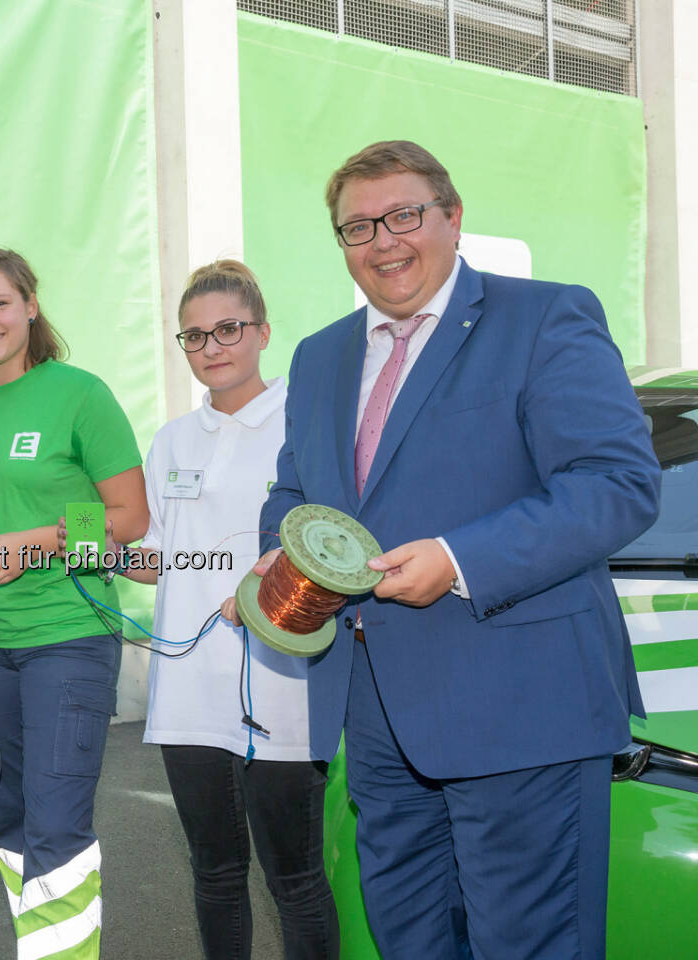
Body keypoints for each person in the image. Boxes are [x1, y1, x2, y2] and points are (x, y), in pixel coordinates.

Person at [245, 140, 659, 958]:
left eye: (404, 215)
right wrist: (280, 553)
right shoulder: (319, 355)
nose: (384, 242)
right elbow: (296, 493)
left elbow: (616, 482)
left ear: (453, 217)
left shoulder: (544, 317)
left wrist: (459, 560)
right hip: (374, 717)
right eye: (357, 227)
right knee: (410, 942)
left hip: (522, 709)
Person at [103, 260, 337, 959]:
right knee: (215, 872)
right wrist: (99, 551)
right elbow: (156, 556)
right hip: (188, 688)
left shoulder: (307, 424)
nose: (212, 346)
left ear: (263, 331)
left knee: (294, 876)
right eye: (195, 335)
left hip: (284, 683)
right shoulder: (173, 438)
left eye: (228, 329)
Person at [0, 248, 147, 960]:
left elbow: (128, 517)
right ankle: (45, 947)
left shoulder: (80, 394)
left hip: (68, 635)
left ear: (30, 305)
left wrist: (44, 538)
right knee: (11, 817)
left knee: (57, 824)